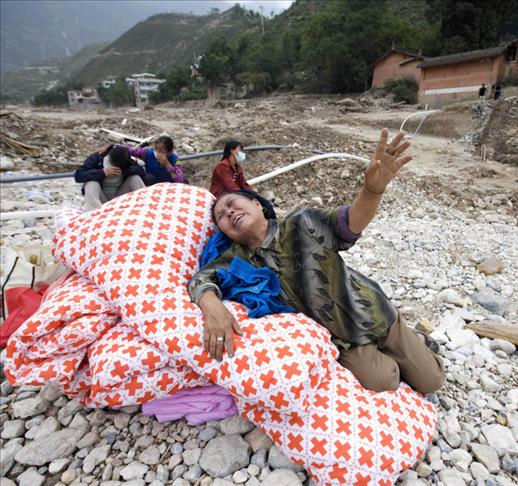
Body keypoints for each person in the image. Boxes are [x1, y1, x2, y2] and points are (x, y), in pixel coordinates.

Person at [188, 128, 445, 395]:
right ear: (224, 232)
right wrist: (212, 306)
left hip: (371, 311)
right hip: (343, 341)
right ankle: (403, 353)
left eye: (232, 203)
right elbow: (201, 279)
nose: (229, 212)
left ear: (258, 205)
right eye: (221, 216)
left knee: (432, 381)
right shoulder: (236, 261)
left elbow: (350, 223)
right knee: (384, 381)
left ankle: (417, 340)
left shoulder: (303, 222)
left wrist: (371, 191)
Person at [75, 145, 146, 210]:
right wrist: (103, 172)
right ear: (109, 158)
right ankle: (96, 213)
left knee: (135, 178)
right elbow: (78, 175)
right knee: (90, 183)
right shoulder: (97, 158)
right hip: (101, 198)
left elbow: (141, 171)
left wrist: (124, 170)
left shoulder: (126, 159)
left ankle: (145, 206)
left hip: (119, 198)